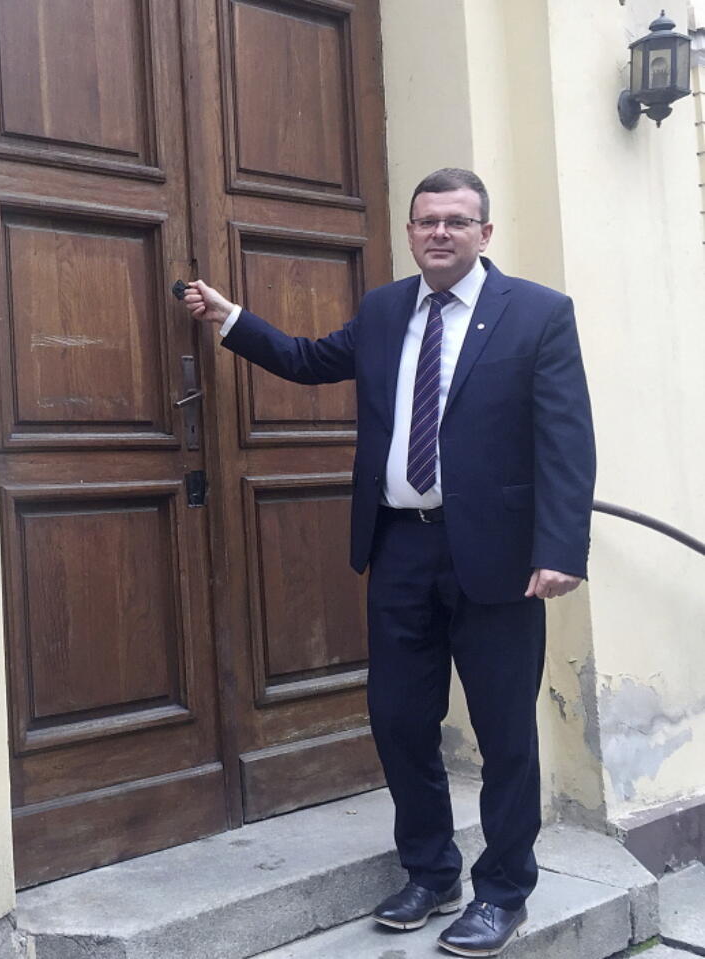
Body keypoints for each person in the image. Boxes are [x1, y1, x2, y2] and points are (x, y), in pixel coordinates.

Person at [182, 168, 595, 958]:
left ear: (485, 233)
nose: (439, 232)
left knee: (506, 731)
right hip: (401, 546)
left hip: (501, 560)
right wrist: (232, 318)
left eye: (456, 220)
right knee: (400, 720)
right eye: (426, 220)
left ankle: (503, 889)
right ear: (409, 233)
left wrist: (559, 547)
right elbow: (307, 359)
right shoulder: (383, 311)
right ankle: (431, 869)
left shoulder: (537, 314)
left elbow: (567, 439)